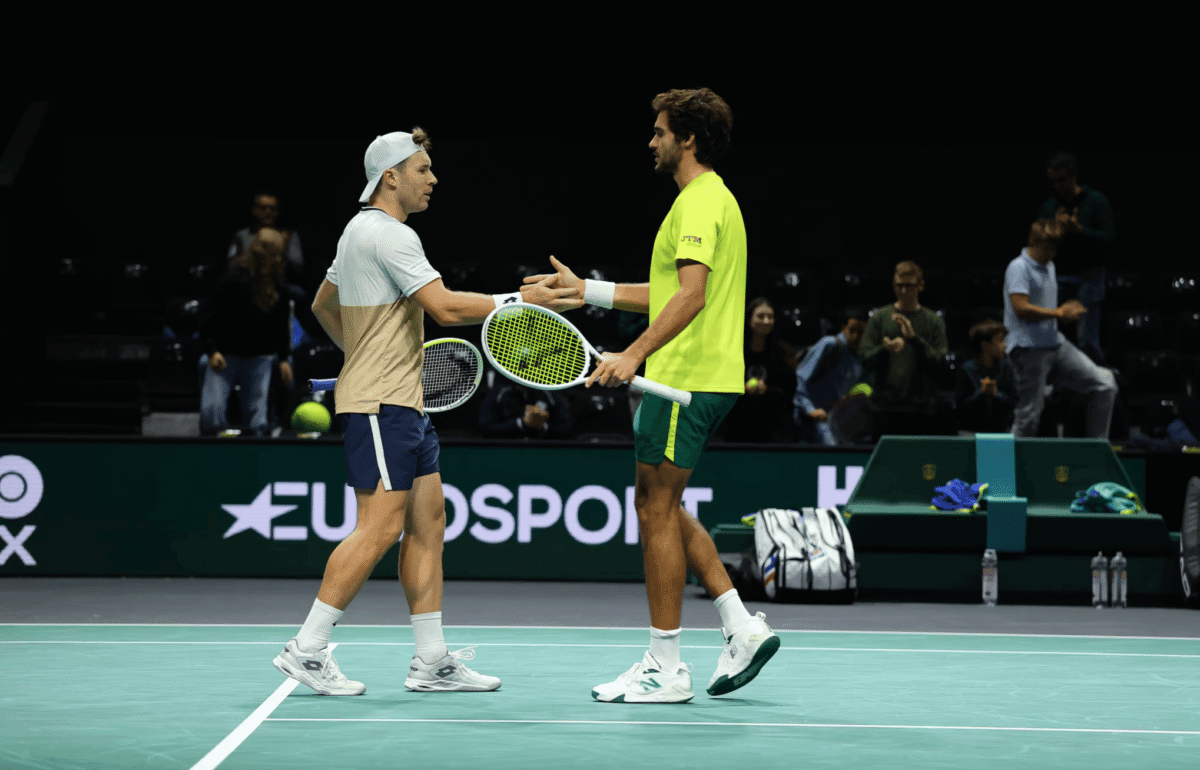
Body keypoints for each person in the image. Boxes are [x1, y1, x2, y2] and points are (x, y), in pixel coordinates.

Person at [272, 129, 570, 696]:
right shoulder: (390, 235)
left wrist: (359, 354)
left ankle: (431, 661)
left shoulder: (356, 232)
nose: (433, 180)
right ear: (391, 177)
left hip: (400, 401)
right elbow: (444, 307)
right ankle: (307, 648)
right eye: (423, 170)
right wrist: (519, 299)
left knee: (428, 522)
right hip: (384, 403)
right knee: (380, 527)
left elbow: (321, 303)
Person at [523, 88, 779, 704]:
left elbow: (690, 296)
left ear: (686, 139)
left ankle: (665, 664)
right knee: (660, 501)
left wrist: (633, 353)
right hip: (704, 377)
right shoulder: (716, 200)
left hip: (681, 377)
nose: (652, 140)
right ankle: (740, 626)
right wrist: (590, 291)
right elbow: (675, 290)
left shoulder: (696, 203)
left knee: (654, 507)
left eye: (660, 131)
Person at [1004, 219, 1118, 438]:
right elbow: (1020, 308)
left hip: (1055, 344)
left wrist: (1065, 310)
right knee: (1028, 417)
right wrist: (1058, 313)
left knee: (1105, 385)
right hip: (1029, 351)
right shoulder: (1018, 268)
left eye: (1055, 248)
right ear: (1032, 241)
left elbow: (1046, 307)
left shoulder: (1049, 265)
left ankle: (1096, 451)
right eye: (1046, 248)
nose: (1052, 253)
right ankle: (1007, 470)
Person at [199, 227, 294, 436]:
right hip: (225, 354)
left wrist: (284, 358)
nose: (278, 258)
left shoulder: (280, 287)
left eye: (280, 253)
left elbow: (280, 327)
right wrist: (211, 350)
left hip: (260, 357)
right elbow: (208, 318)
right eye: (273, 253)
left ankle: (256, 454)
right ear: (259, 252)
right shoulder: (232, 280)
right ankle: (213, 451)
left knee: (257, 416)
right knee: (212, 412)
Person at [1037, 152, 1116, 364]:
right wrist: (1056, 232)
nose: (1057, 186)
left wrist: (1080, 231)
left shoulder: (1096, 201)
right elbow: (1038, 245)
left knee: (1087, 340)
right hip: (1057, 279)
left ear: (1073, 177)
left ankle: (1096, 385)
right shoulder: (1050, 207)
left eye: (1061, 180)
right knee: (1052, 339)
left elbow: (1109, 239)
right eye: (1052, 181)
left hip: (1088, 278)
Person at [858, 261, 950, 437]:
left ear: (921, 285)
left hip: (920, 410)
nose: (903, 291)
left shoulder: (933, 322)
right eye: (899, 285)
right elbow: (864, 359)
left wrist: (914, 339)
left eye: (909, 285)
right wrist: (884, 349)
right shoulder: (880, 318)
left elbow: (940, 365)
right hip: (885, 408)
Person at [722, 298, 797, 443]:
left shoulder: (783, 352)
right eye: (760, 316)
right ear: (749, 319)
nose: (766, 321)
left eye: (770, 317)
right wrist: (742, 389)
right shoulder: (733, 350)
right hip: (736, 427)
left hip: (771, 429)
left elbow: (789, 392)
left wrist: (767, 390)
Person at [793, 308, 867, 445]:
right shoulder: (830, 344)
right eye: (852, 330)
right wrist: (811, 410)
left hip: (834, 420)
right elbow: (800, 379)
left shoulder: (859, 360)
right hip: (811, 419)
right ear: (843, 327)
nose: (856, 336)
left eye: (861, 332)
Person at [956, 319, 1017, 434]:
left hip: (1001, 431)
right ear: (985, 345)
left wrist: (995, 394)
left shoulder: (1007, 369)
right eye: (1000, 341)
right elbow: (960, 408)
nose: (1004, 345)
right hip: (971, 431)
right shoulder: (967, 370)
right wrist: (981, 393)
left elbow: (1013, 403)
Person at [228, 193, 305, 284]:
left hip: (280, 284)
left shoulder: (289, 235)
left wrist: (279, 256)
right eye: (263, 208)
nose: (268, 212)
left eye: (273, 209)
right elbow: (231, 263)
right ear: (254, 210)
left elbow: (298, 266)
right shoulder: (241, 236)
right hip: (246, 285)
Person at [478, 380, 573, 439]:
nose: (528, 369)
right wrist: (521, 423)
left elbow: (567, 430)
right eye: (523, 365)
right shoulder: (496, 393)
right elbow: (486, 429)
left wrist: (542, 426)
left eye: (534, 364)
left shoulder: (551, 395)